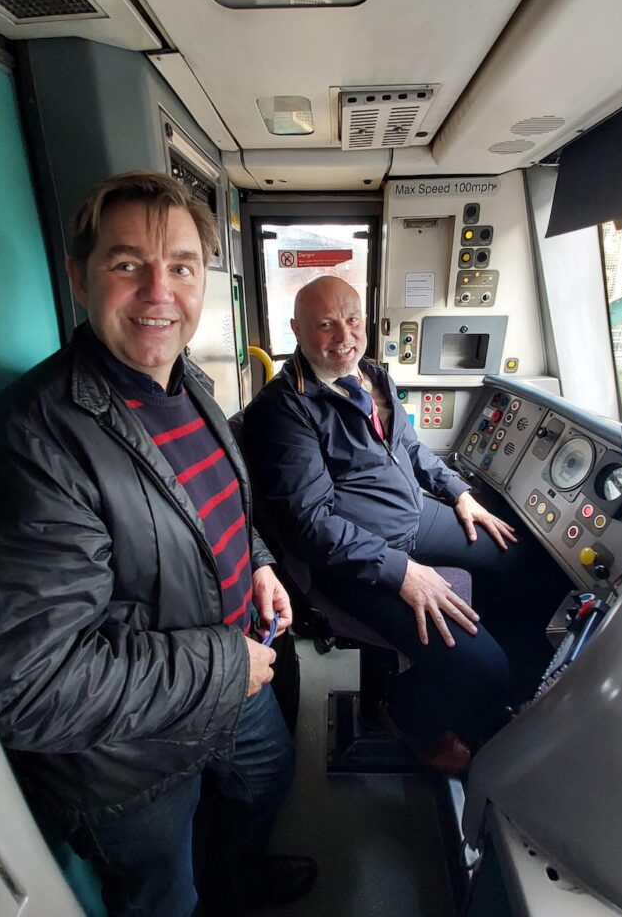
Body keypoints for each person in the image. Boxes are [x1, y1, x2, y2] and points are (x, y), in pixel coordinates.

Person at [0, 172, 315, 917]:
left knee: (266, 785)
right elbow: (34, 684)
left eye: (182, 267)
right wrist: (227, 663)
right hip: (128, 761)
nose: (160, 292)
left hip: (230, 685)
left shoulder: (189, 385)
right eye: (128, 264)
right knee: (166, 896)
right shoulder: (33, 441)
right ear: (78, 279)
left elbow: (213, 512)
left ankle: (239, 883)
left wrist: (257, 563)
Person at [242, 276, 569, 768]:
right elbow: (312, 526)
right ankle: (403, 709)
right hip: (357, 558)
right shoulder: (284, 409)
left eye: (352, 320)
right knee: (486, 667)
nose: (344, 336)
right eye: (325, 325)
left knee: (536, 567)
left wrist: (460, 494)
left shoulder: (374, 374)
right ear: (296, 329)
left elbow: (412, 450)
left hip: (418, 516)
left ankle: (488, 694)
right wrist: (402, 571)